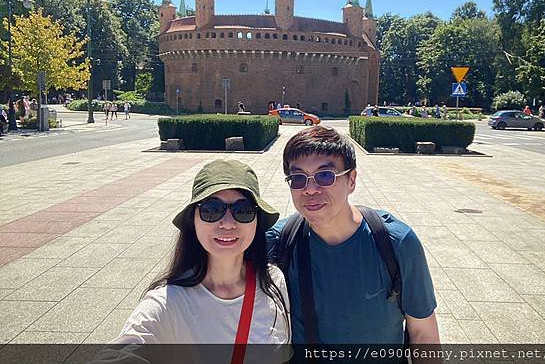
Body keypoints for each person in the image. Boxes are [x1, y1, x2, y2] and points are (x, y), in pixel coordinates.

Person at [267, 127, 439, 346]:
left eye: (325, 176)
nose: (309, 189)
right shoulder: (279, 241)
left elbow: (423, 333)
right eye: (298, 178)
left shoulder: (396, 242)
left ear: (351, 180)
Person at [113, 160, 290, 353]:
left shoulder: (273, 280)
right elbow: (126, 349)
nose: (228, 223)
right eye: (212, 209)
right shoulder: (167, 302)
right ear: (193, 220)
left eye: (243, 210)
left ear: (256, 221)